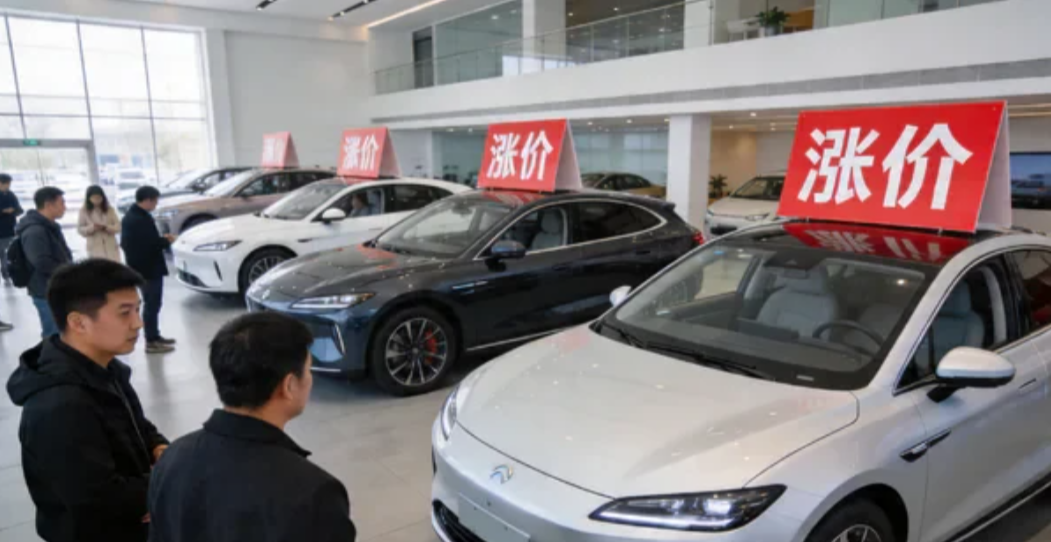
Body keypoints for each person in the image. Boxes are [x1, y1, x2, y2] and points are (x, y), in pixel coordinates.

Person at [148, 313, 356, 542]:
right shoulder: (314, 493)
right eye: (308, 370)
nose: (310, 380)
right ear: (288, 386)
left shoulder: (172, 459)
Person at [6, 259, 169, 542]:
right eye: (124, 313)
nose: (138, 323)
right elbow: (97, 501)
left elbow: (135, 423)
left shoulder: (105, 367)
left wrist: (158, 446)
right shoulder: (60, 406)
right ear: (78, 322)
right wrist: (166, 483)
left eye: (138, 309)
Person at [121, 186, 176, 354]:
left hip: (144, 267)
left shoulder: (137, 215)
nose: (156, 204)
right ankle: (151, 341)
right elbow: (148, 245)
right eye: (155, 201)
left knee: (153, 304)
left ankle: (155, 336)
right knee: (151, 304)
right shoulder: (137, 219)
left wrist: (161, 240)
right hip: (147, 269)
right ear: (147, 200)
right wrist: (166, 241)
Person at [16, 187, 73, 338]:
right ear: (48, 205)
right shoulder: (34, 231)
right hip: (45, 290)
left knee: (62, 332)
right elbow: (41, 262)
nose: (65, 207)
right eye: (62, 203)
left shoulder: (49, 226)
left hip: (56, 286)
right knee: (53, 334)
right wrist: (69, 272)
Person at [78, 185, 122, 262]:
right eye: (94, 198)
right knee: (98, 267)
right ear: (89, 198)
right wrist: (92, 227)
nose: (97, 200)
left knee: (113, 267)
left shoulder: (110, 209)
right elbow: (80, 229)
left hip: (111, 246)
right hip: (95, 247)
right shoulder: (84, 211)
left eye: (99, 197)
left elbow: (118, 227)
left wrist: (106, 227)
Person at [0, 173, 23, 286]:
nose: (8, 186)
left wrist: (13, 211)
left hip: (10, 228)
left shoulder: (11, 195)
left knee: (8, 253)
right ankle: (6, 272)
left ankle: (7, 272)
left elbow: (19, 210)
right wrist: (3, 211)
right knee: (3, 253)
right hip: (1, 229)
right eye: (7, 184)